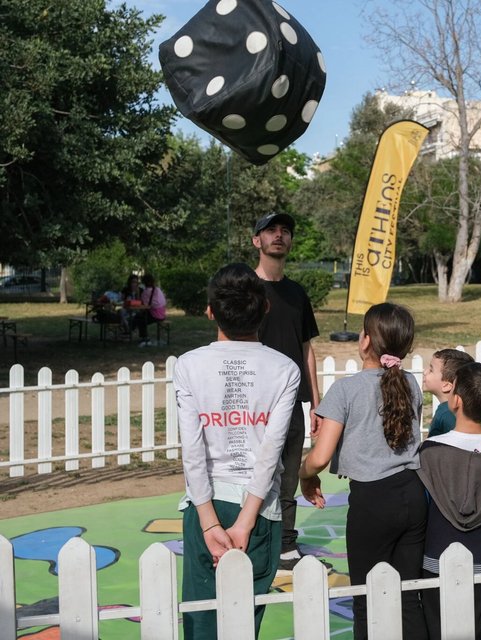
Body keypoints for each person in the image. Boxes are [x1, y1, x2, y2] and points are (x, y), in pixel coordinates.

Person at [174, 263, 301, 639]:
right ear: (265, 308)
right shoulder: (285, 369)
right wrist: (245, 522)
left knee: (201, 623)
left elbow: (192, 450)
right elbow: (270, 454)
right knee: (245, 623)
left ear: (210, 311)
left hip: (204, 504)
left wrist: (210, 522)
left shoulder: (188, 365)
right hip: (260, 511)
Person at [299, 302, 427, 640]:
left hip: (373, 500)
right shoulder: (411, 383)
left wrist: (304, 475)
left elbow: (320, 456)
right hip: (414, 494)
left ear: (365, 341)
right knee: (408, 596)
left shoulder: (346, 389)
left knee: (366, 599)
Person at [417, 362, 481, 639]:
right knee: (475, 625)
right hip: (480, 556)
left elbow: (420, 506)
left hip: (434, 552)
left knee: (433, 623)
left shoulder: (429, 452)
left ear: (457, 401)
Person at [251, 212, 321, 571]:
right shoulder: (245, 289)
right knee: (253, 472)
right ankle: (249, 537)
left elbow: (306, 347)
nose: (279, 236)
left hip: (292, 402)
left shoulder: (296, 293)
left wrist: (316, 403)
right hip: (253, 402)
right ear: (256, 241)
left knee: (289, 474)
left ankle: (285, 545)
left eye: (285, 231)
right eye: (271, 231)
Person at [423, 348, 474, 438]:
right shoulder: (448, 411)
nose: (425, 372)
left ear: (446, 386)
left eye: (431, 370)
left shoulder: (447, 414)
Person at [133, 273, 166, 347]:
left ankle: (144, 337)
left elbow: (144, 305)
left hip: (155, 315)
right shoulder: (157, 289)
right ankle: (140, 335)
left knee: (140, 319)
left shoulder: (146, 292)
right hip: (162, 314)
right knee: (140, 317)